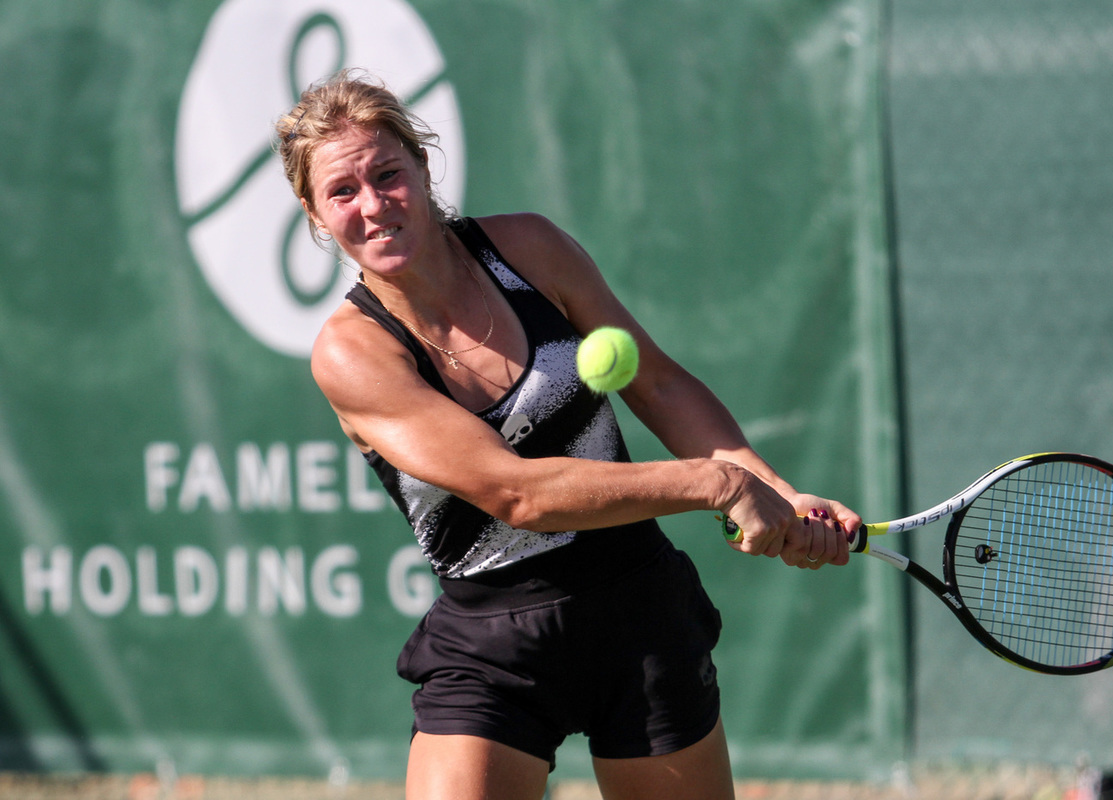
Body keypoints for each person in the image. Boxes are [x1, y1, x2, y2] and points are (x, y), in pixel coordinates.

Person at [274, 69, 862, 800]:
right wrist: (717, 484)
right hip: (494, 643)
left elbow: (661, 384)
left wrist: (777, 493)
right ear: (314, 213)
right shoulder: (351, 353)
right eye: (343, 191)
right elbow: (515, 495)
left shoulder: (530, 249)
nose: (373, 204)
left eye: (388, 174)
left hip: (639, 608)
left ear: (422, 169)